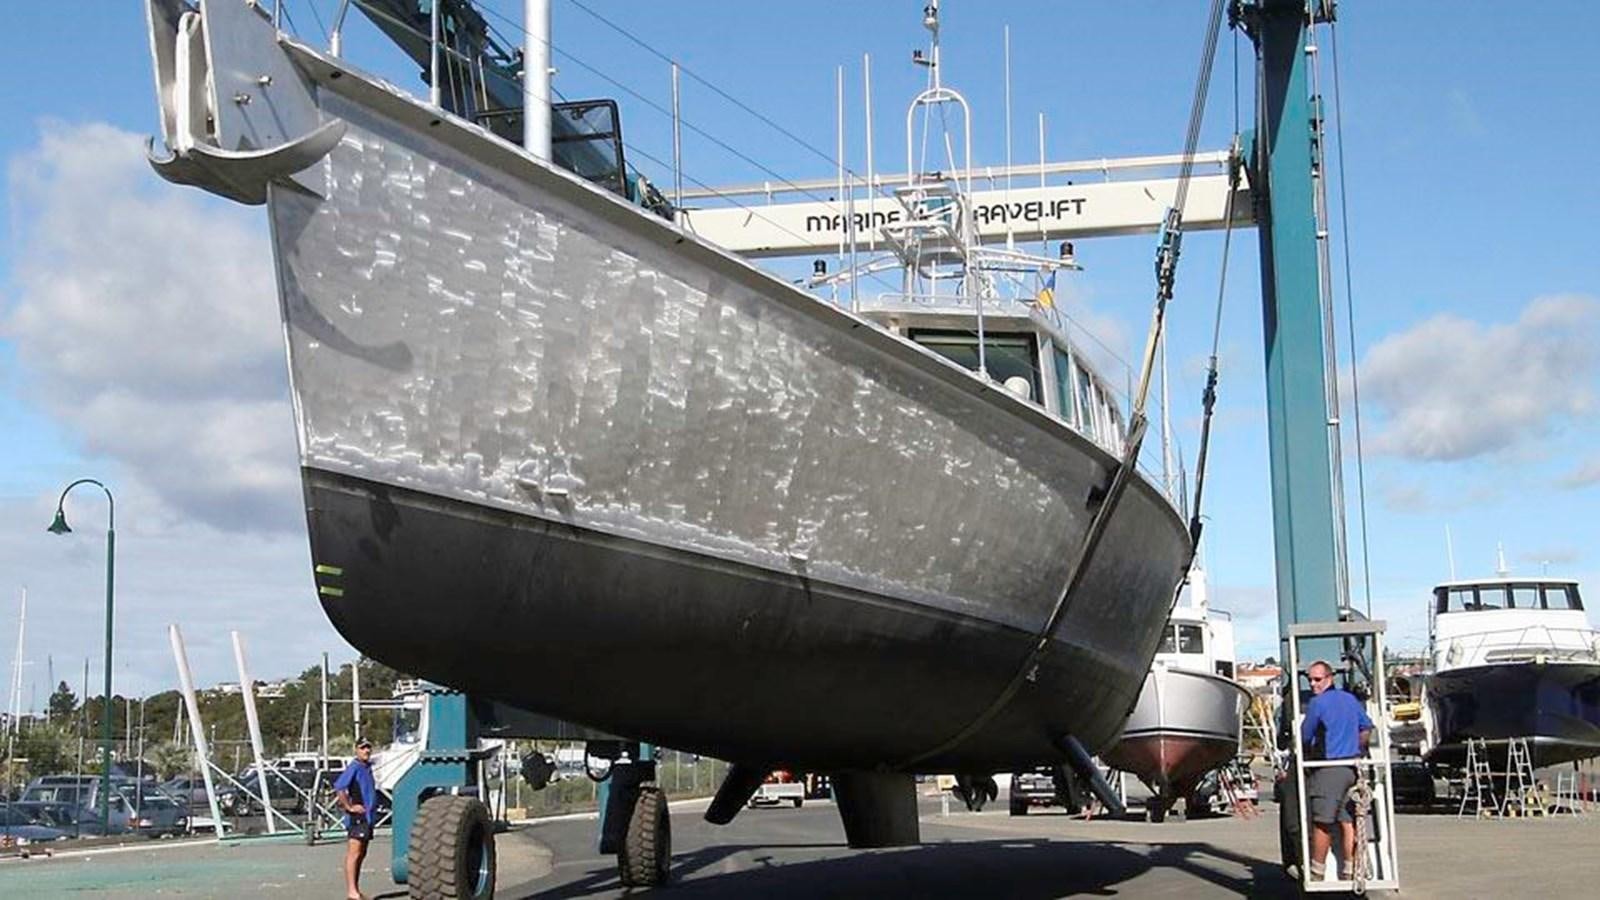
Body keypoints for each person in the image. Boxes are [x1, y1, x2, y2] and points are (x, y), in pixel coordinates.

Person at [1300, 660, 1373, 882]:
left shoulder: (1317, 703)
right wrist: (1358, 749)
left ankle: (1317, 872)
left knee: (1322, 822)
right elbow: (1366, 727)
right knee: (1348, 819)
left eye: (1317, 679)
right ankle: (1351, 869)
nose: (1313, 684)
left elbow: (1305, 736)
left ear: (1330, 678)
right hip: (1351, 768)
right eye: (1309, 679)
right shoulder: (1350, 700)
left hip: (1329, 768)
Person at [333, 738, 377, 900]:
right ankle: (352, 891)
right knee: (354, 853)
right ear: (356, 750)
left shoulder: (367, 767)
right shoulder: (355, 767)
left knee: (362, 853)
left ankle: (356, 890)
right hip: (357, 818)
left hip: (368, 818)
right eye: (362, 748)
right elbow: (339, 787)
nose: (366, 750)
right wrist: (349, 807)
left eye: (368, 747)